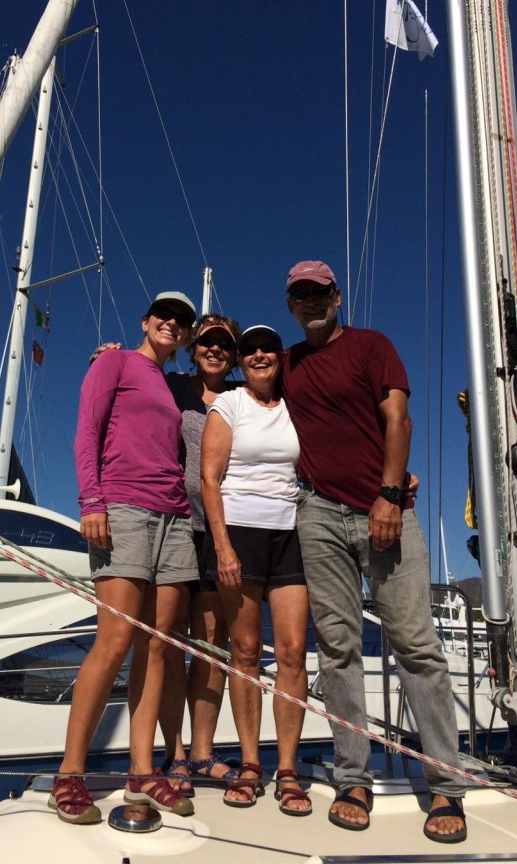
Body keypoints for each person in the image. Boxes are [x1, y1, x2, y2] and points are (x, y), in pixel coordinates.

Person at [282, 260, 467, 842]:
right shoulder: (287, 362)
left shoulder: (371, 345)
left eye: (318, 292)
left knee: (415, 642)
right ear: (291, 304)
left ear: (336, 295)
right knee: (337, 648)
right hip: (318, 513)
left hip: (382, 510)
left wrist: (389, 494)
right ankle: (353, 777)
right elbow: (225, 376)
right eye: (298, 296)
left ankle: (446, 785)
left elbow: (398, 417)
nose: (310, 302)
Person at [50, 291, 199, 825]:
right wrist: (90, 501)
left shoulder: (177, 384)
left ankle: (141, 772)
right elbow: (86, 430)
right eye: (165, 314)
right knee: (114, 640)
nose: (173, 323)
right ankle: (69, 773)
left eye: (182, 321)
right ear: (145, 320)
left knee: (159, 646)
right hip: (124, 507)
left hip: (175, 517)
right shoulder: (113, 360)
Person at [200, 325, 312, 816]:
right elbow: (209, 477)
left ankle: (287, 768)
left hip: (291, 534)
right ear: (241, 361)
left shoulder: (297, 404)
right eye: (250, 350)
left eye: (267, 348)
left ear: (279, 357)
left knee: (291, 652)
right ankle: (250, 764)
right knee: (244, 651)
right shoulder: (229, 404)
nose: (259, 355)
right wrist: (222, 547)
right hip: (239, 532)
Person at [159, 315, 243, 794]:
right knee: (169, 643)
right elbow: (130, 376)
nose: (214, 350)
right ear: (193, 347)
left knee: (211, 646)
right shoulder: (171, 386)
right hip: (174, 524)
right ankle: (172, 755)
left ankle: (203, 752)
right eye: (207, 341)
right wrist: (110, 354)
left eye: (224, 344)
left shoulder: (239, 397)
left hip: (221, 531)